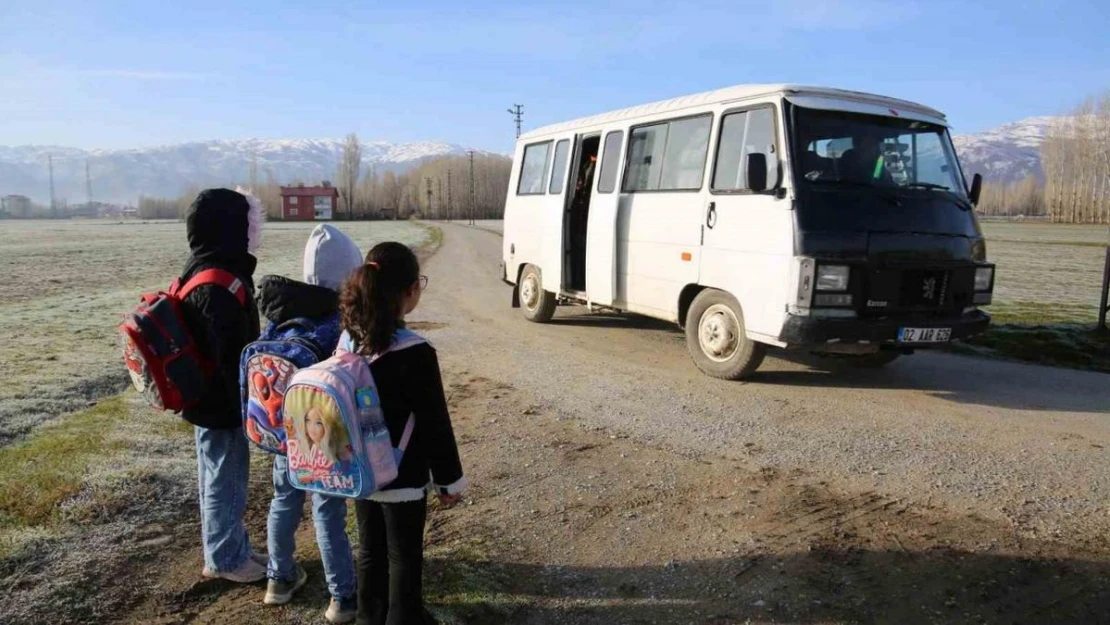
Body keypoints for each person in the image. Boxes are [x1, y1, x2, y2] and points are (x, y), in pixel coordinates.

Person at [339, 242, 467, 625]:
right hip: (403, 473)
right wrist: (449, 481)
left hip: (360, 470)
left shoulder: (348, 341)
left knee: (370, 552)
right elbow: (434, 424)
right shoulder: (416, 352)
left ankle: (368, 618)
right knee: (404, 557)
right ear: (409, 291)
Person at [257, 224, 364, 623]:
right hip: (321, 442)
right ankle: (342, 598)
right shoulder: (336, 326)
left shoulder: (281, 317)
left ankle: (279, 580)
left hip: (283, 439)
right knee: (327, 512)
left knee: (282, 502)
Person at [180, 187, 266, 583]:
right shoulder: (218, 281)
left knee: (216, 476)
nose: (254, 231)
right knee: (224, 479)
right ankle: (226, 559)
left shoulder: (203, 267)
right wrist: (244, 403)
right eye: (249, 224)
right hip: (222, 404)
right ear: (231, 228)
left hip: (209, 401)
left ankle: (228, 546)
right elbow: (222, 352)